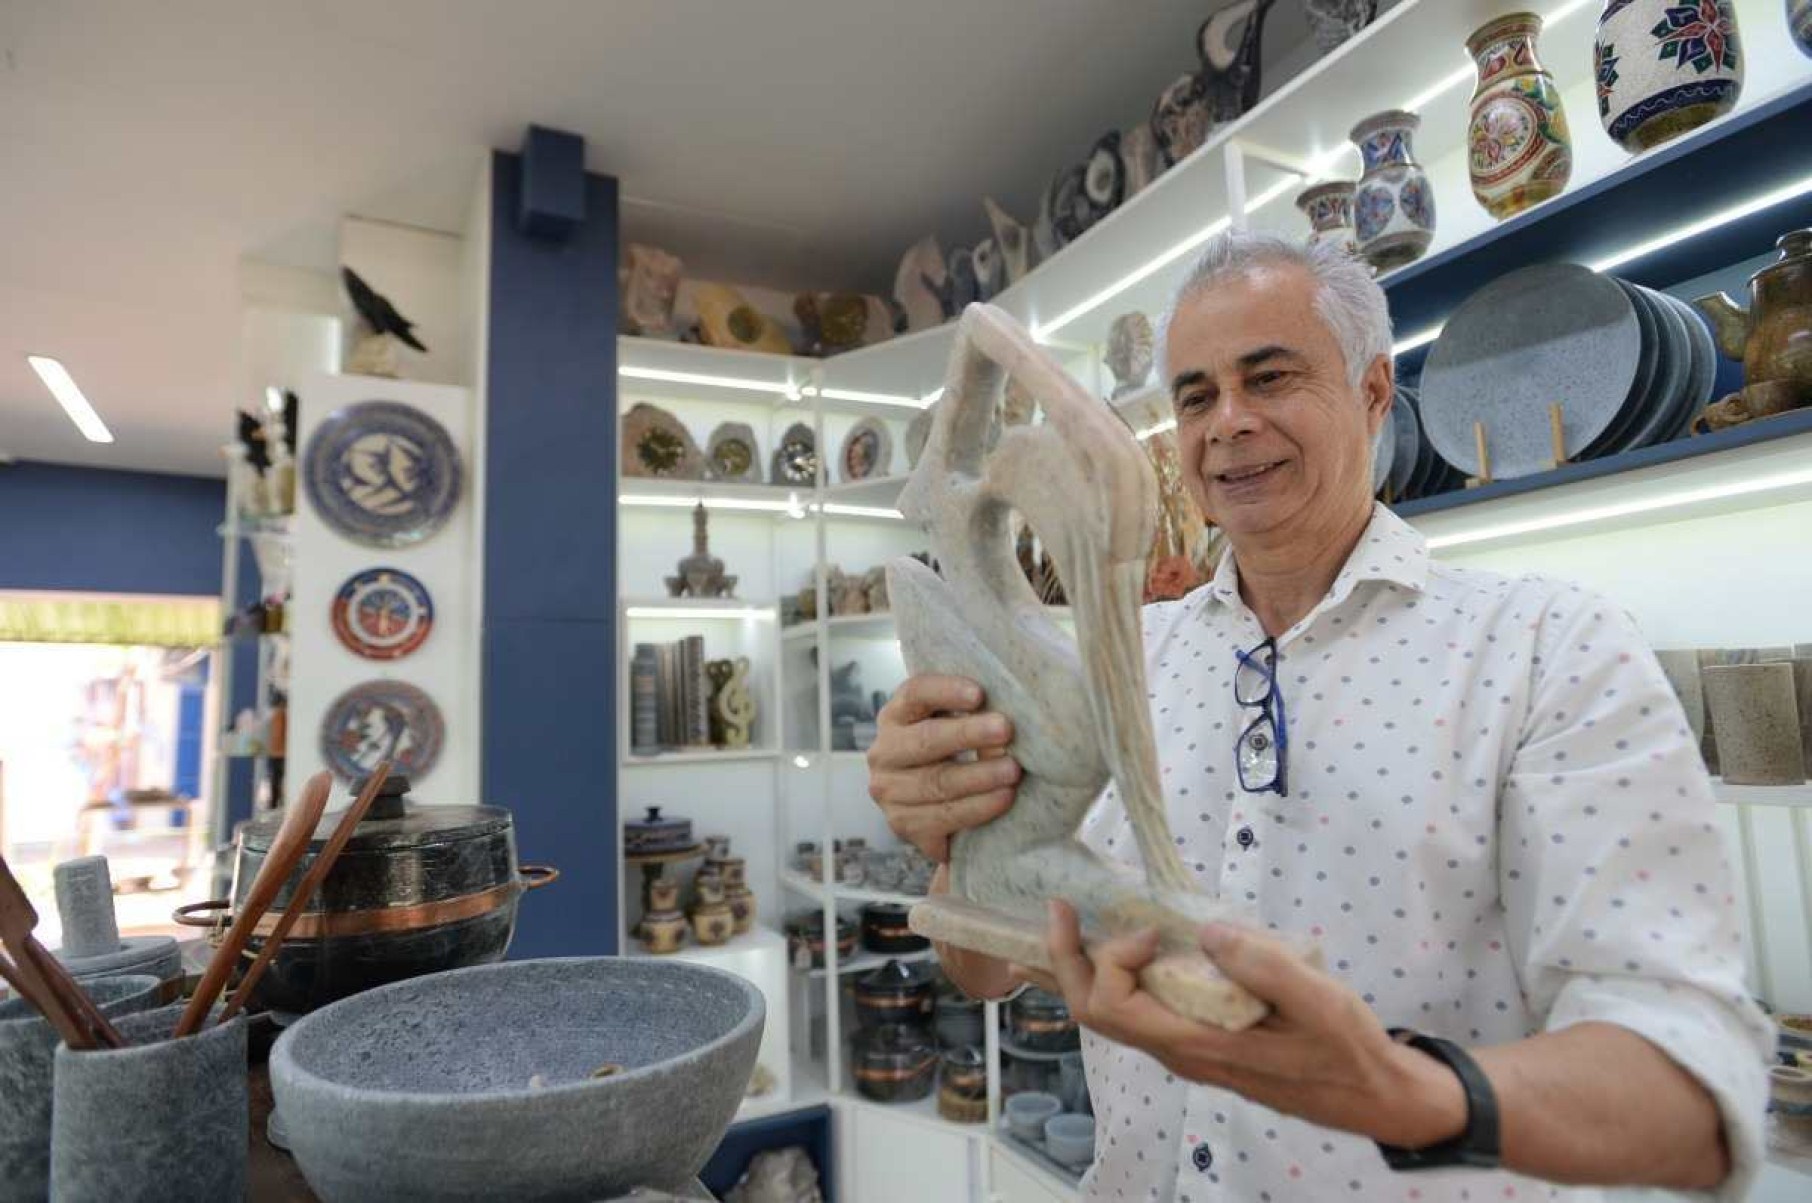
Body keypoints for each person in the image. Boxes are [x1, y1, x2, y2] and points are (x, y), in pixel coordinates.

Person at [866, 231, 1769, 1201]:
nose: (1228, 424)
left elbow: (1694, 1096)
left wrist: (1394, 1092)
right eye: (1197, 396)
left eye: (1271, 378)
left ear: (1376, 392)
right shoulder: (1123, 654)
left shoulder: (1545, 649)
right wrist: (957, 834)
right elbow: (984, 966)